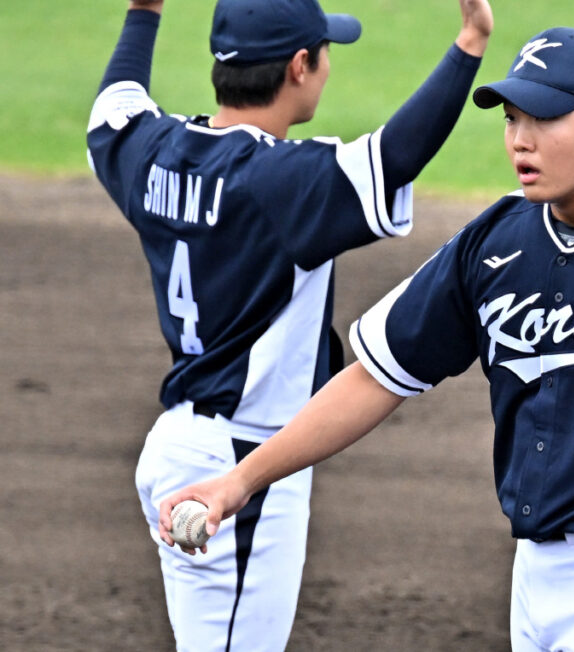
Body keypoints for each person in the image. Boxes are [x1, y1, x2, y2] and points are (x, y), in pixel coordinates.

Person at [158, 26, 574, 651]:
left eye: (544, 119)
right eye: (512, 118)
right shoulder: (494, 241)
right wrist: (241, 481)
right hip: (533, 578)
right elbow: (376, 377)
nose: (520, 139)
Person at [87, 0, 492, 649]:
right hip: (237, 463)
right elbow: (396, 155)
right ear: (300, 65)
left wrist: (143, 12)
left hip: (184, 445)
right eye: (325, 52)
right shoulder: (276, 179)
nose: (328, 66)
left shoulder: (155, 152)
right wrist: (470, 43)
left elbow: (113, 105)